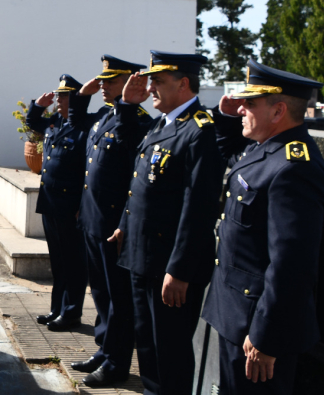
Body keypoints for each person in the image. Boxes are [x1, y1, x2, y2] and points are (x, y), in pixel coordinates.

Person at [201, 59, 324, 394]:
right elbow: (232, 157)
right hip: (237, 316)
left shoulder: (294, 168)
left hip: (257, 330)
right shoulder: (265, 149)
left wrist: (266, 336)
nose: (241, 108)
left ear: (278, 111)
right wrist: (226, 118)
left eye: (250, 103)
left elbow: (292, 265)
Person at [110, 51, 224, 395]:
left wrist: (180, 270)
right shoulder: (162, 124)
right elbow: (139, 181)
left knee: (170, 351)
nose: (150, 88)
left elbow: (199, 209)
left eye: (158, 81)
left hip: (170, 266)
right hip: (142, 254)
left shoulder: (200, 131)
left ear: (183, 83)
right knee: (147, 345)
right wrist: (124, 223)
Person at [72, 55, 151, 387]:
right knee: (101, 292)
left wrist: (124, 223)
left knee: (119, 298)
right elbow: (77, 125)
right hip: (93, 218)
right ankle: (104, 349)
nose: (103, 86)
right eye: (102, 81)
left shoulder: (138, 122)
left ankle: (117, 362)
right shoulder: (106, 115)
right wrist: (82, 96)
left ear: (131, 83)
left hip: (114, 224)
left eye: (111, 81)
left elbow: (137, 179)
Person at [26, 75, 92, 331]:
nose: (59, 100)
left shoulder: (85, 127)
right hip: (50, 203)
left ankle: (71, 312)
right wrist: (38, 106)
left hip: (70, 206)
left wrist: (83, 206)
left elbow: (89, 171)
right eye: (59, 95)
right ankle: (57, 309)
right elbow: (33, 123)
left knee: (73, 261)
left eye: (64, 96)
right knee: (58, 261)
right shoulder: (55, 122)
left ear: (76, 100)